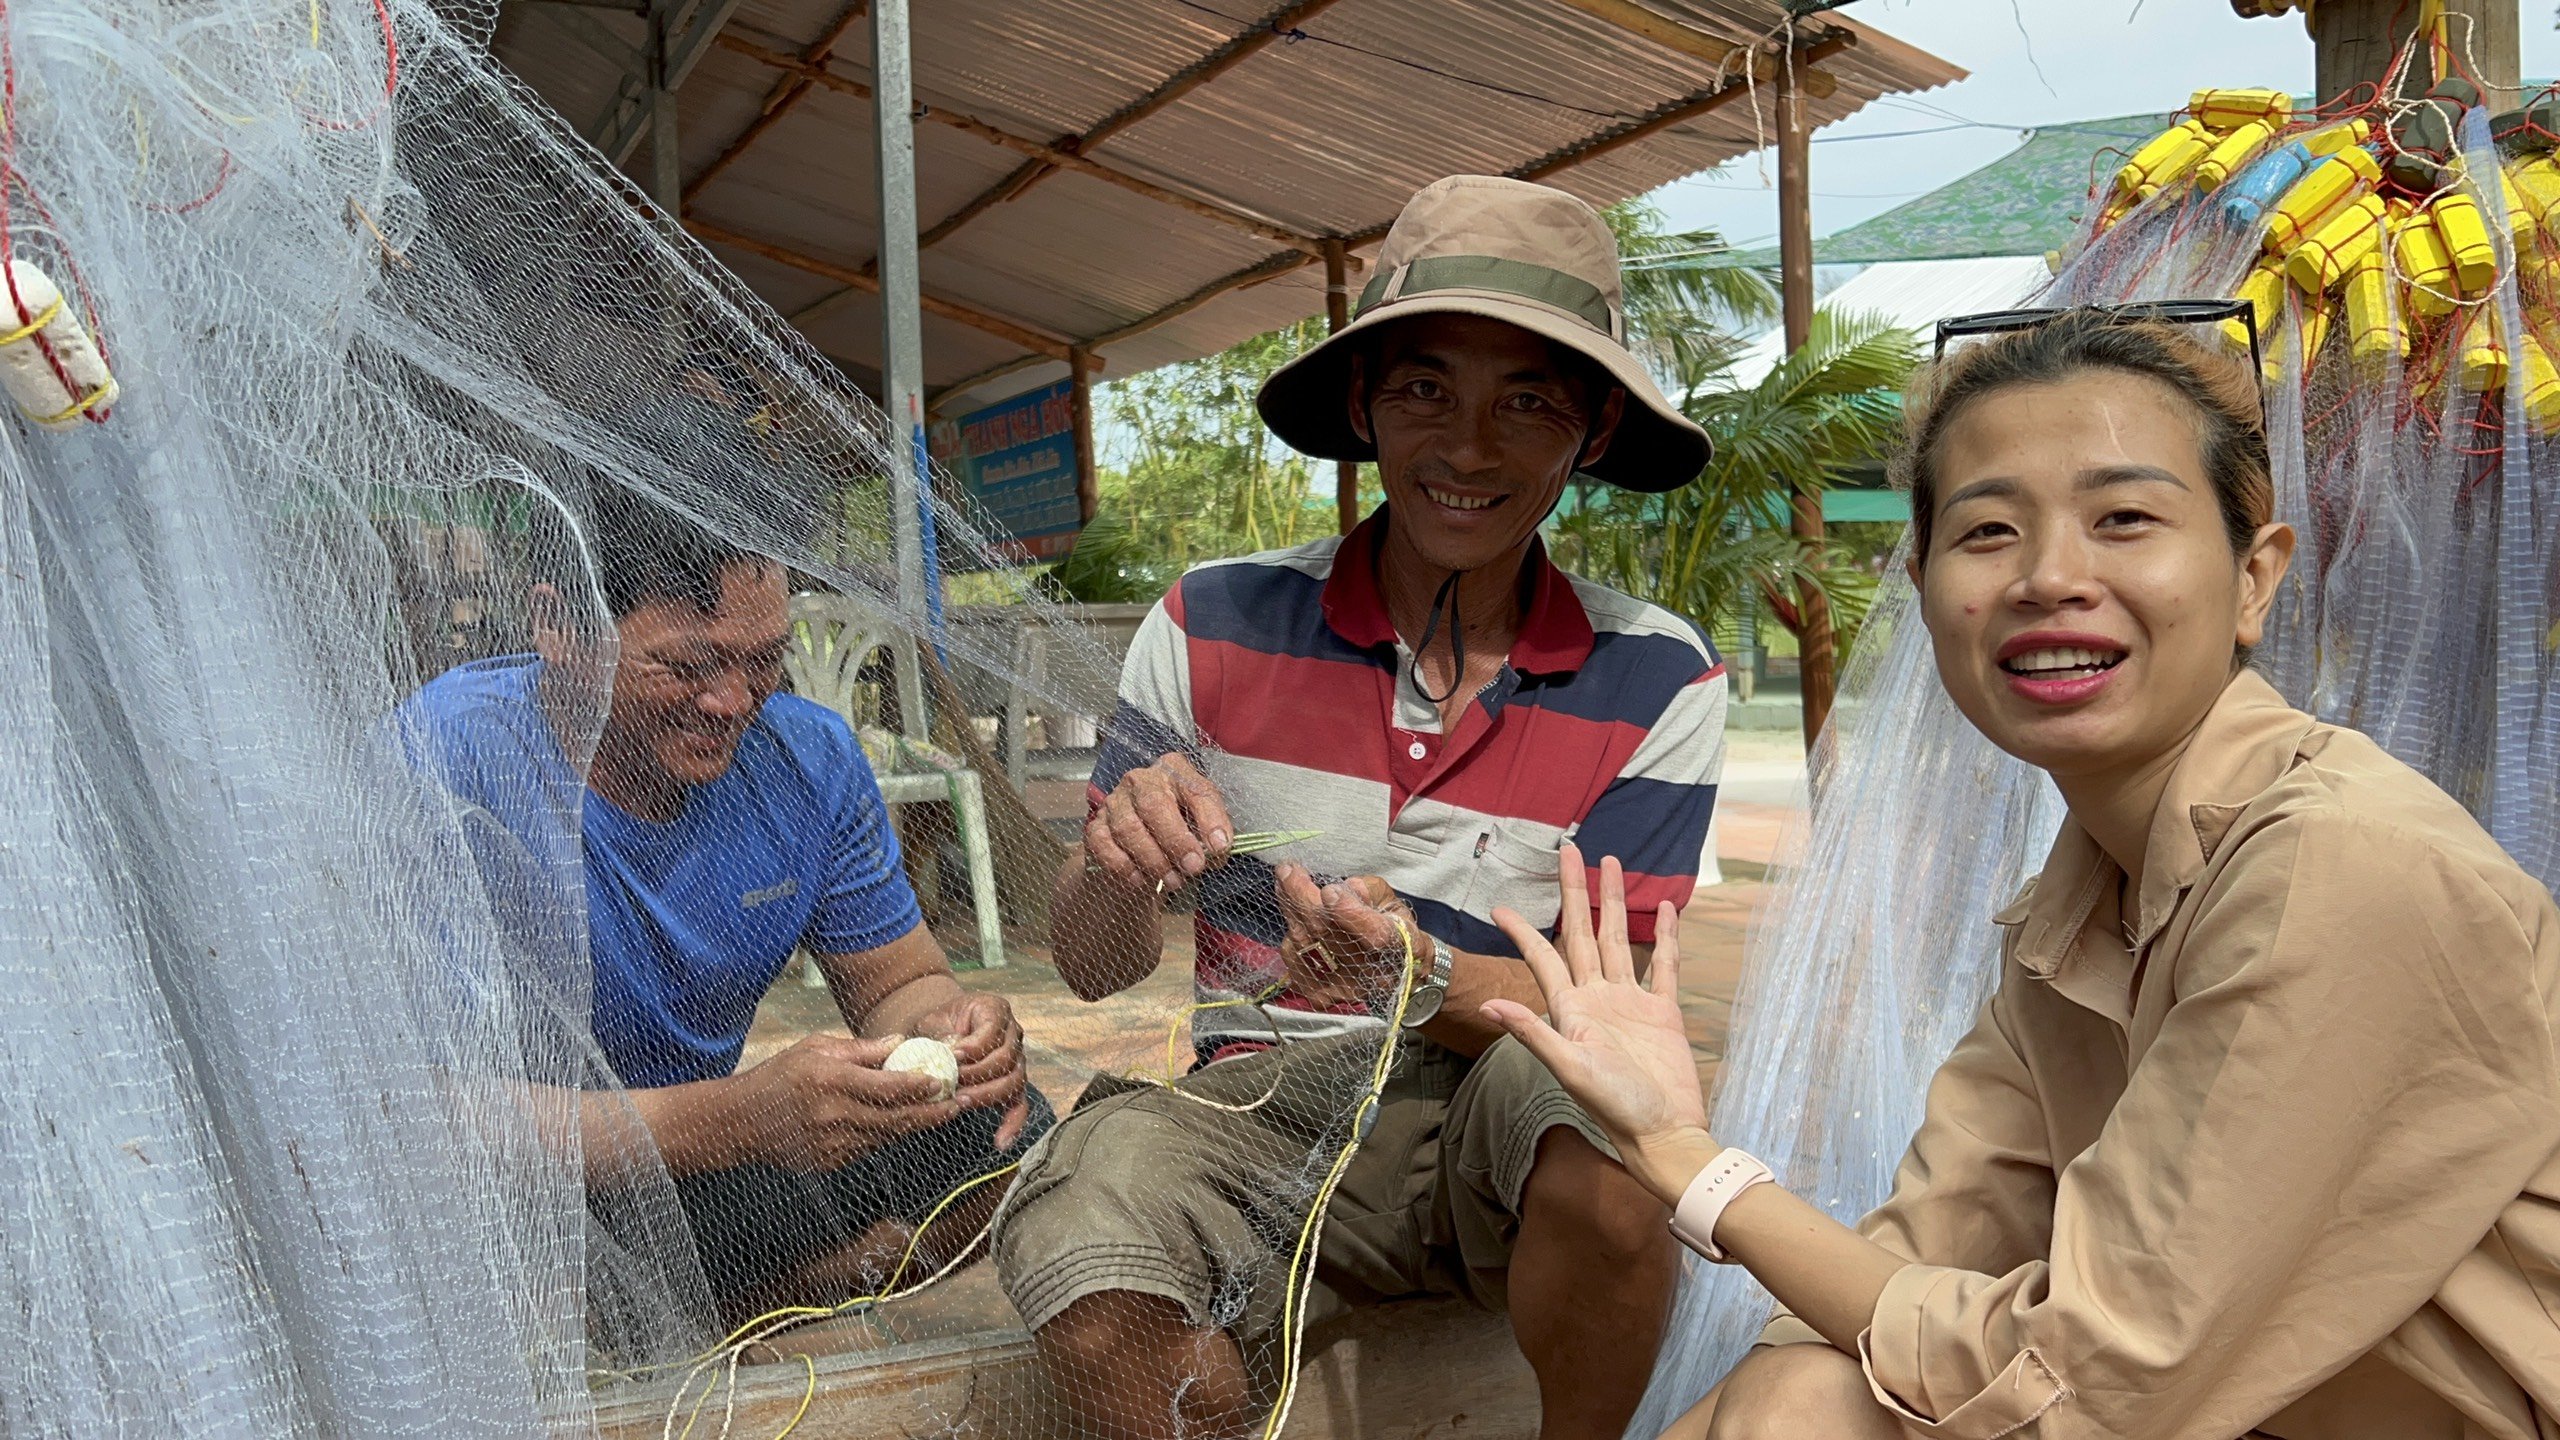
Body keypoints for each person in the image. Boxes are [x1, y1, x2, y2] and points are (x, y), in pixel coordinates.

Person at [1487, 308, 2560, 1439]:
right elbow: (1925, 1243)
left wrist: (1689, 1164)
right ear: (1925, 583)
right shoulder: (2080, 901)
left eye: (2124, 518)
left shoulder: (2337, 867)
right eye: (1989, 531)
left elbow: (2089, 1381)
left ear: (2254, 579)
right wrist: (1771, 1381)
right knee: (1795, 1395)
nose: (2051, 576)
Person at [993, 175, 1730, 1438]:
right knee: (1081, 1225)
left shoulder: (1656, 673)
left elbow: (1611, 1027)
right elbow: (1094, 972)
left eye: (1529, 402)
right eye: (1424, 387)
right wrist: (1119, 864)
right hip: (1246, 1112)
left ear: (1594, 432)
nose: (1468, 446)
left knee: (1618, 1161)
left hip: (1494, 1101)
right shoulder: (1207, 623)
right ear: (1363, 403)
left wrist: (1422, 972)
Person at [402, 473, 1052, 1324]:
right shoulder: (447, 763)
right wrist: (736, 1122)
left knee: (1010, 1133)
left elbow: (900, 983)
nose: (732, 703)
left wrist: (954, 1031)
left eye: (763, 661)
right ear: (556, 625)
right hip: (513, 1197)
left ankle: (700, 1313)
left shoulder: (807, 761)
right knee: (461, 1272)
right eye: (686, 665)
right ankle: (662, 1313)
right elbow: (413, 1112)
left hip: (691, 1186)